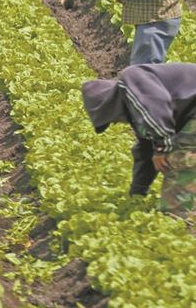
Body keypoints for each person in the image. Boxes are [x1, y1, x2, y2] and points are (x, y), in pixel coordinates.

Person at [82, 63, 196, 218]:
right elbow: (146, 152)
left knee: (180, 158)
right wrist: (137, 193)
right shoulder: (139, 113)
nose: (115, 122)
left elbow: (157, 108)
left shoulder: (131, 78)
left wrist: (162, 148)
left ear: (111, 107)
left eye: (111, 119)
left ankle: (176, 221)